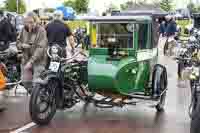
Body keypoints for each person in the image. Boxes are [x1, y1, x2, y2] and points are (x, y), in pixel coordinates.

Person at [16, 12, 48, 93]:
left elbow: (41, 48)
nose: (29, 24)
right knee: (25, 81)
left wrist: (31, 61)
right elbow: (18, 42)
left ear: (36, 21)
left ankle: (39, 98)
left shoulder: (41, 31)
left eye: (31, 22)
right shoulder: (23, 30)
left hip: (39, 60)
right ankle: (33, 94)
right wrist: (22, 45)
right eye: (27, 22)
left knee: (36, 82)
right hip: (26, 59)